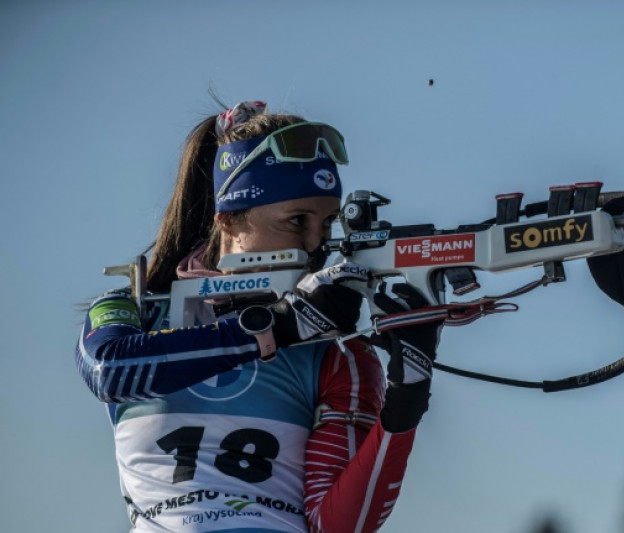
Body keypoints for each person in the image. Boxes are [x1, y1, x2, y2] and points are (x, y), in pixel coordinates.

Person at [75, 101, 441, 533]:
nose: (314, 245)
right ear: (228, 220)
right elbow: (109, 371)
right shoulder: (138, 311)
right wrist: (277, 328)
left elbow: (336, 526)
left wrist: (406, 403)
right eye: (296, 220)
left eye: (326, 225)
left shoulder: (335, 355)